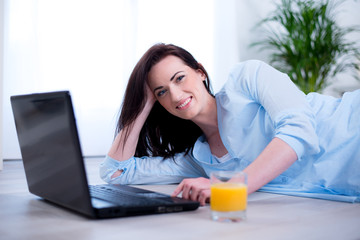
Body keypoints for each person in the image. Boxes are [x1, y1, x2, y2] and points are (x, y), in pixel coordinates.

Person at [100, 43, 360, 205]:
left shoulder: (246, 78)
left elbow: (300, 129)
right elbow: (116, 172)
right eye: (162, 92)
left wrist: (231, 185)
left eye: (179, 78)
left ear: (200, 72)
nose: (176, 95)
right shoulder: (198, 160)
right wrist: (143, 103)